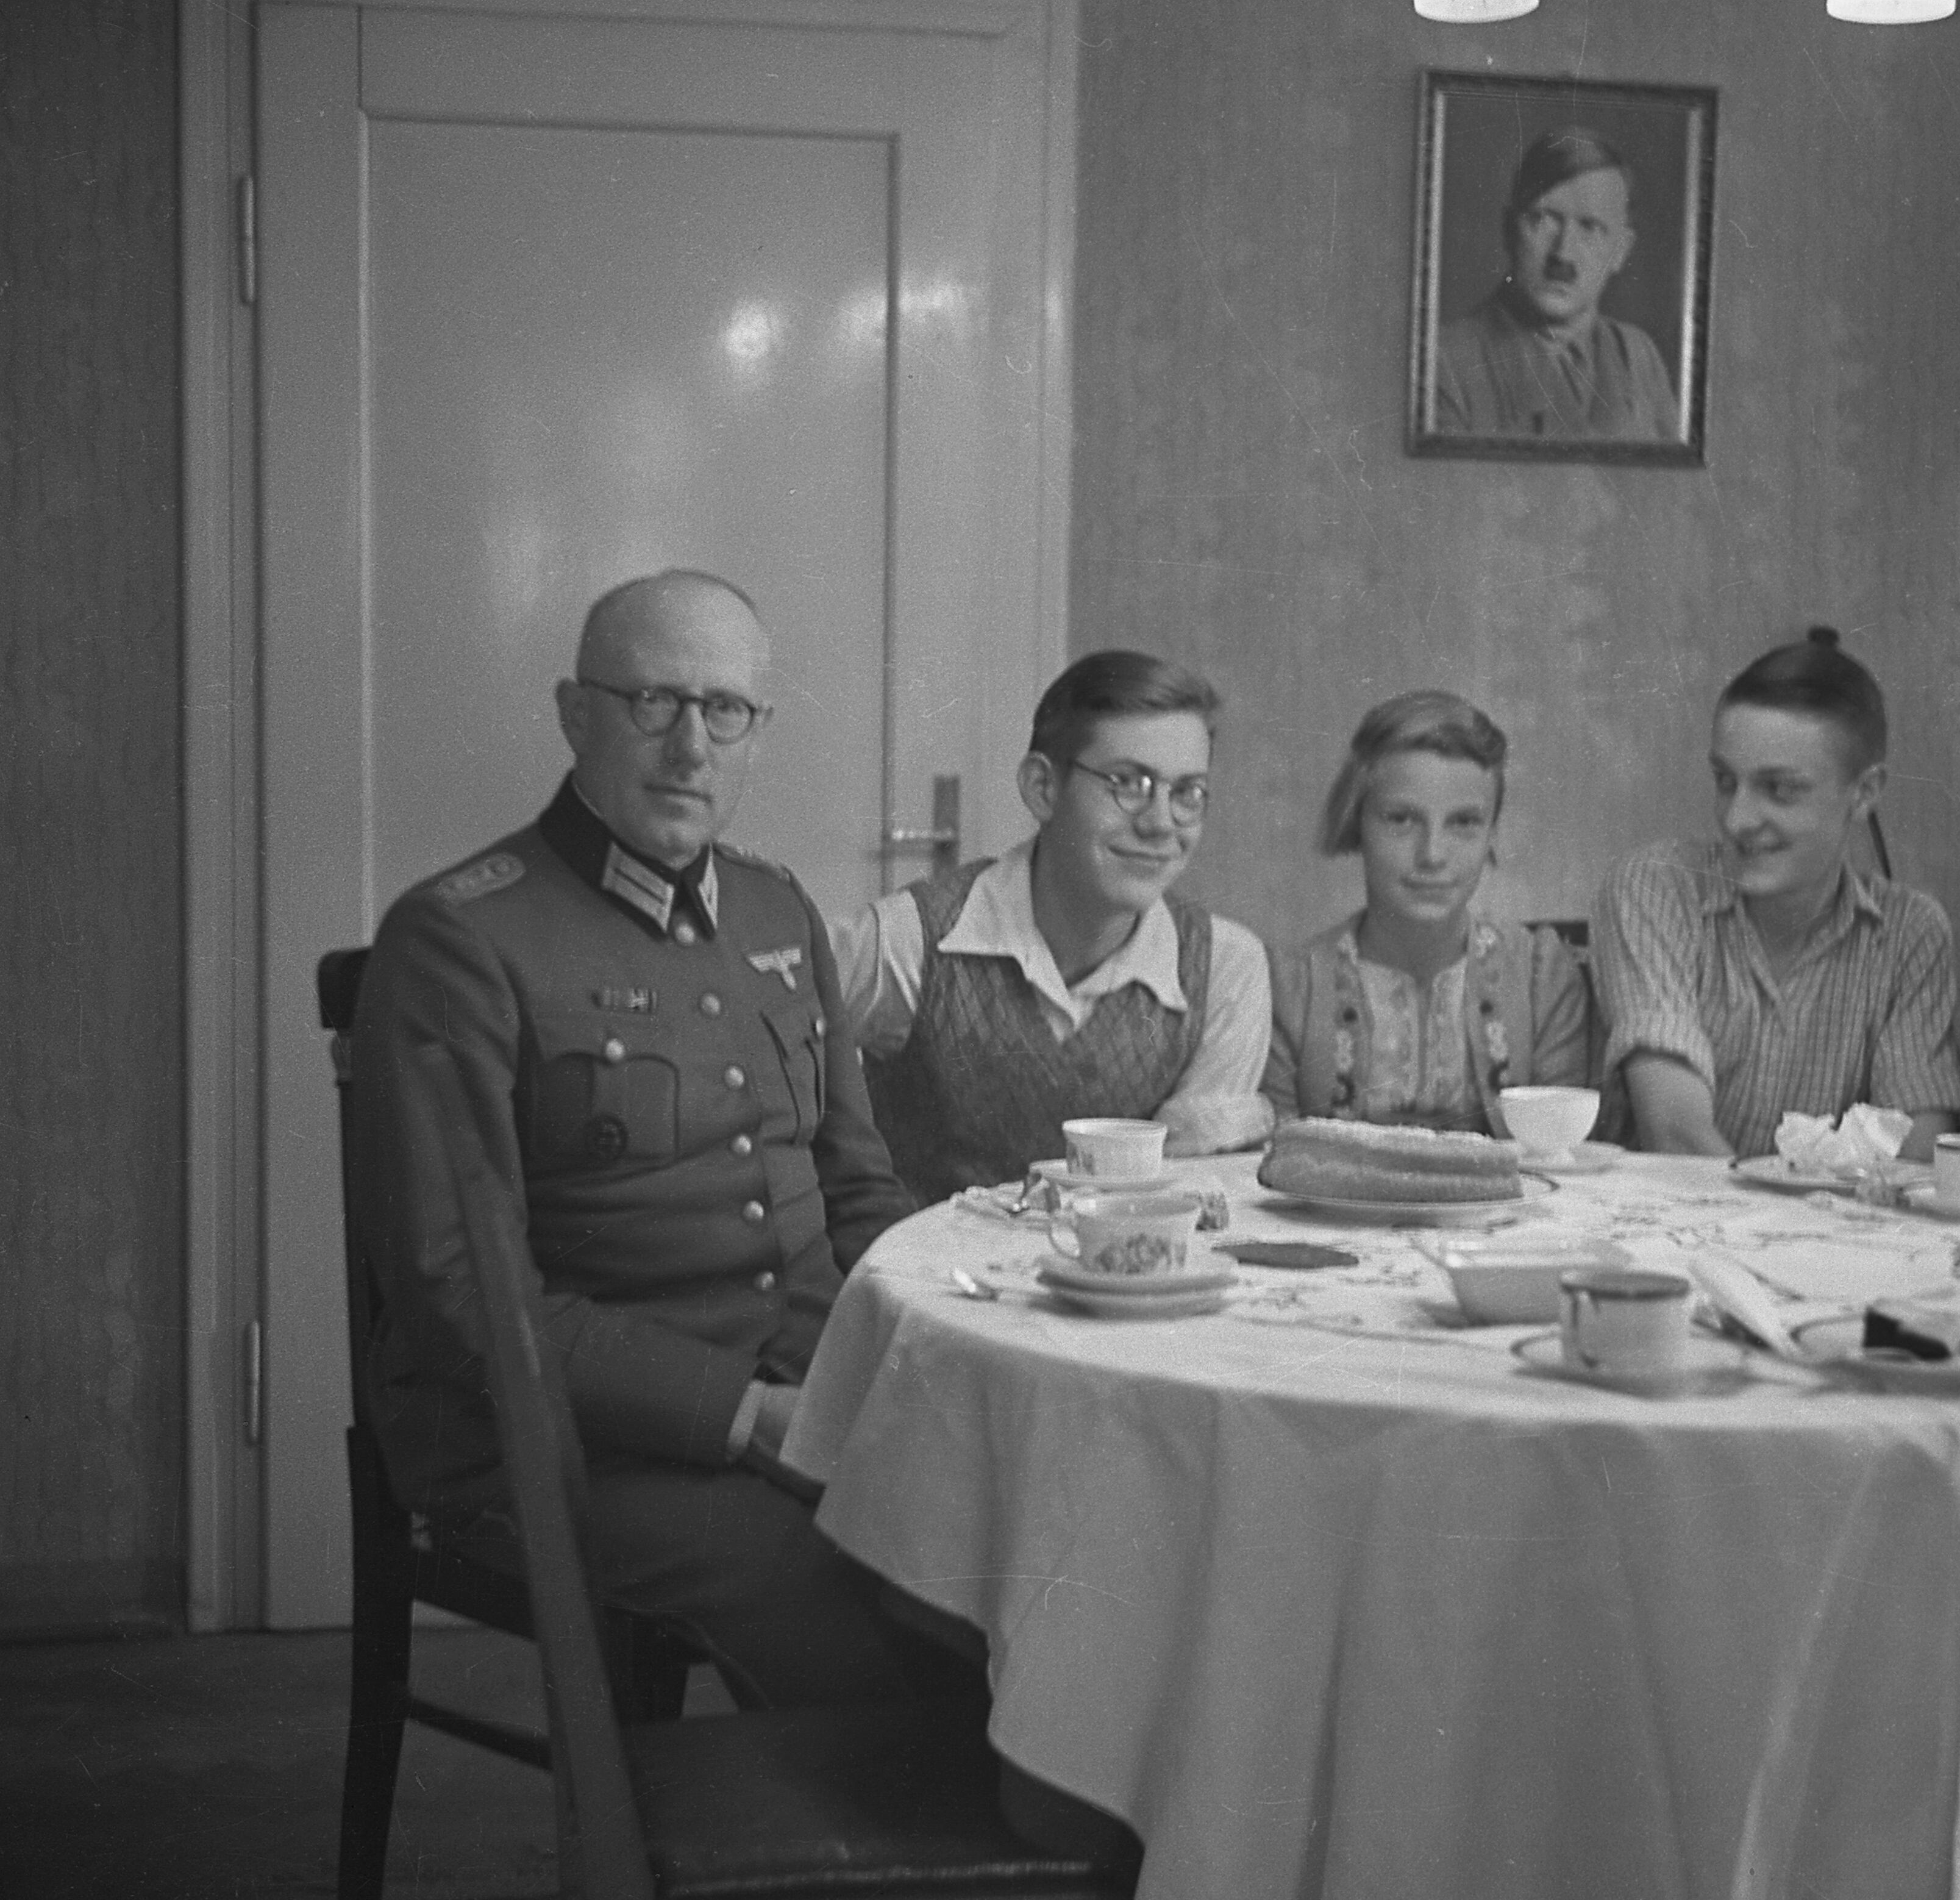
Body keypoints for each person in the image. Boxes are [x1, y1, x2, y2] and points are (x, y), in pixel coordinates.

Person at [352, 570, 935, 1710]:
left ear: (755, 730)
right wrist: (741, 1412)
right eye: (652, 703)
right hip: (566, 1435)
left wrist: (972, 1321)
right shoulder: (460, 937)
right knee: (864, 1613)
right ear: (576, 715)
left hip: (803, 1395)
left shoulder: (777, 913)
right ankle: (761, 1877)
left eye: (726, 710)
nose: (690, 747)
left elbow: (855, 1185)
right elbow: (460, 1290)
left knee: (1025, 1557)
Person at [837, 649, 1274, 1201]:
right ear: (1043, 788)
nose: (1162, 823)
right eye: (1128, 783)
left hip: (1117, 1281)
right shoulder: (910, 939)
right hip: (931, 1281)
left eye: (1187, 793)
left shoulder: (1226, 967)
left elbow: (1183, 1196)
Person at [1592, 630, 1960, 1161]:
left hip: (1836, 1240)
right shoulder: (1655, 888)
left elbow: (1917, 1155)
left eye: (1780, 790)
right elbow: (1674, 1133)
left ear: (1864, 794)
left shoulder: (1910, 933)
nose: (1738, 819)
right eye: (1725, 781)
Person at [1263, 691, 1592, 1132]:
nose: (1433, 854)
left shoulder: (1542, 977)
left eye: (1464, 823)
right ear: (1355, 820)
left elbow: (1559, 1163)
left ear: (1493, 832)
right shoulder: (1290, 985)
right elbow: (1271, 1164)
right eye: (1401, 819)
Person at [1432, 127, 1682, 445]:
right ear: (1510, 230)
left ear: (1620, 251)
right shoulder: (1446, 362)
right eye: (1542, 219)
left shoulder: (1638, 356)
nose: (1563, 255)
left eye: (1590, 227)